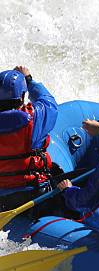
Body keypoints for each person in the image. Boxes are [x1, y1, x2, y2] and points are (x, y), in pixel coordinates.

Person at [0, 66, 59, 212]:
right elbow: (49, 102)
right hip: (33, 194)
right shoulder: (35, 117)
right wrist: (29, 79)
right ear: (21, 96)